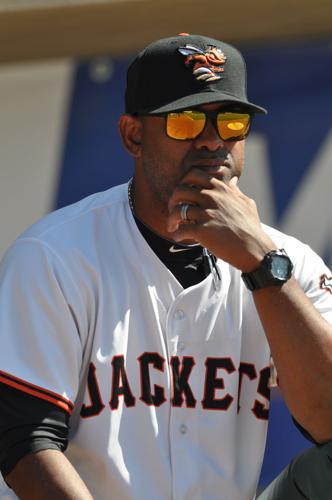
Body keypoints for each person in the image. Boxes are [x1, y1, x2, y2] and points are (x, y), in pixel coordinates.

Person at [0, 33, 332, 500]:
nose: (213, 141)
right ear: (134, 135)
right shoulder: (53, 255)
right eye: (186, 120)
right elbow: (25, 443)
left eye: (232, 122)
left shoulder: (285, 261)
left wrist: (261, 265)